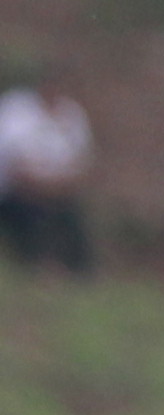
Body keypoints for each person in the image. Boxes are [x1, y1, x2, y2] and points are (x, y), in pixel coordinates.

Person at [0, 77, 94, 274]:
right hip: (16, 193)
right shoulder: (17, 110)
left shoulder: (72, 114)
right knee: (30, 216)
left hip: (57, 193)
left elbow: (81, 163)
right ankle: (33, 265)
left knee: (73, 220)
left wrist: (56, 186)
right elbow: (14, 165)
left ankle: (79, 271)